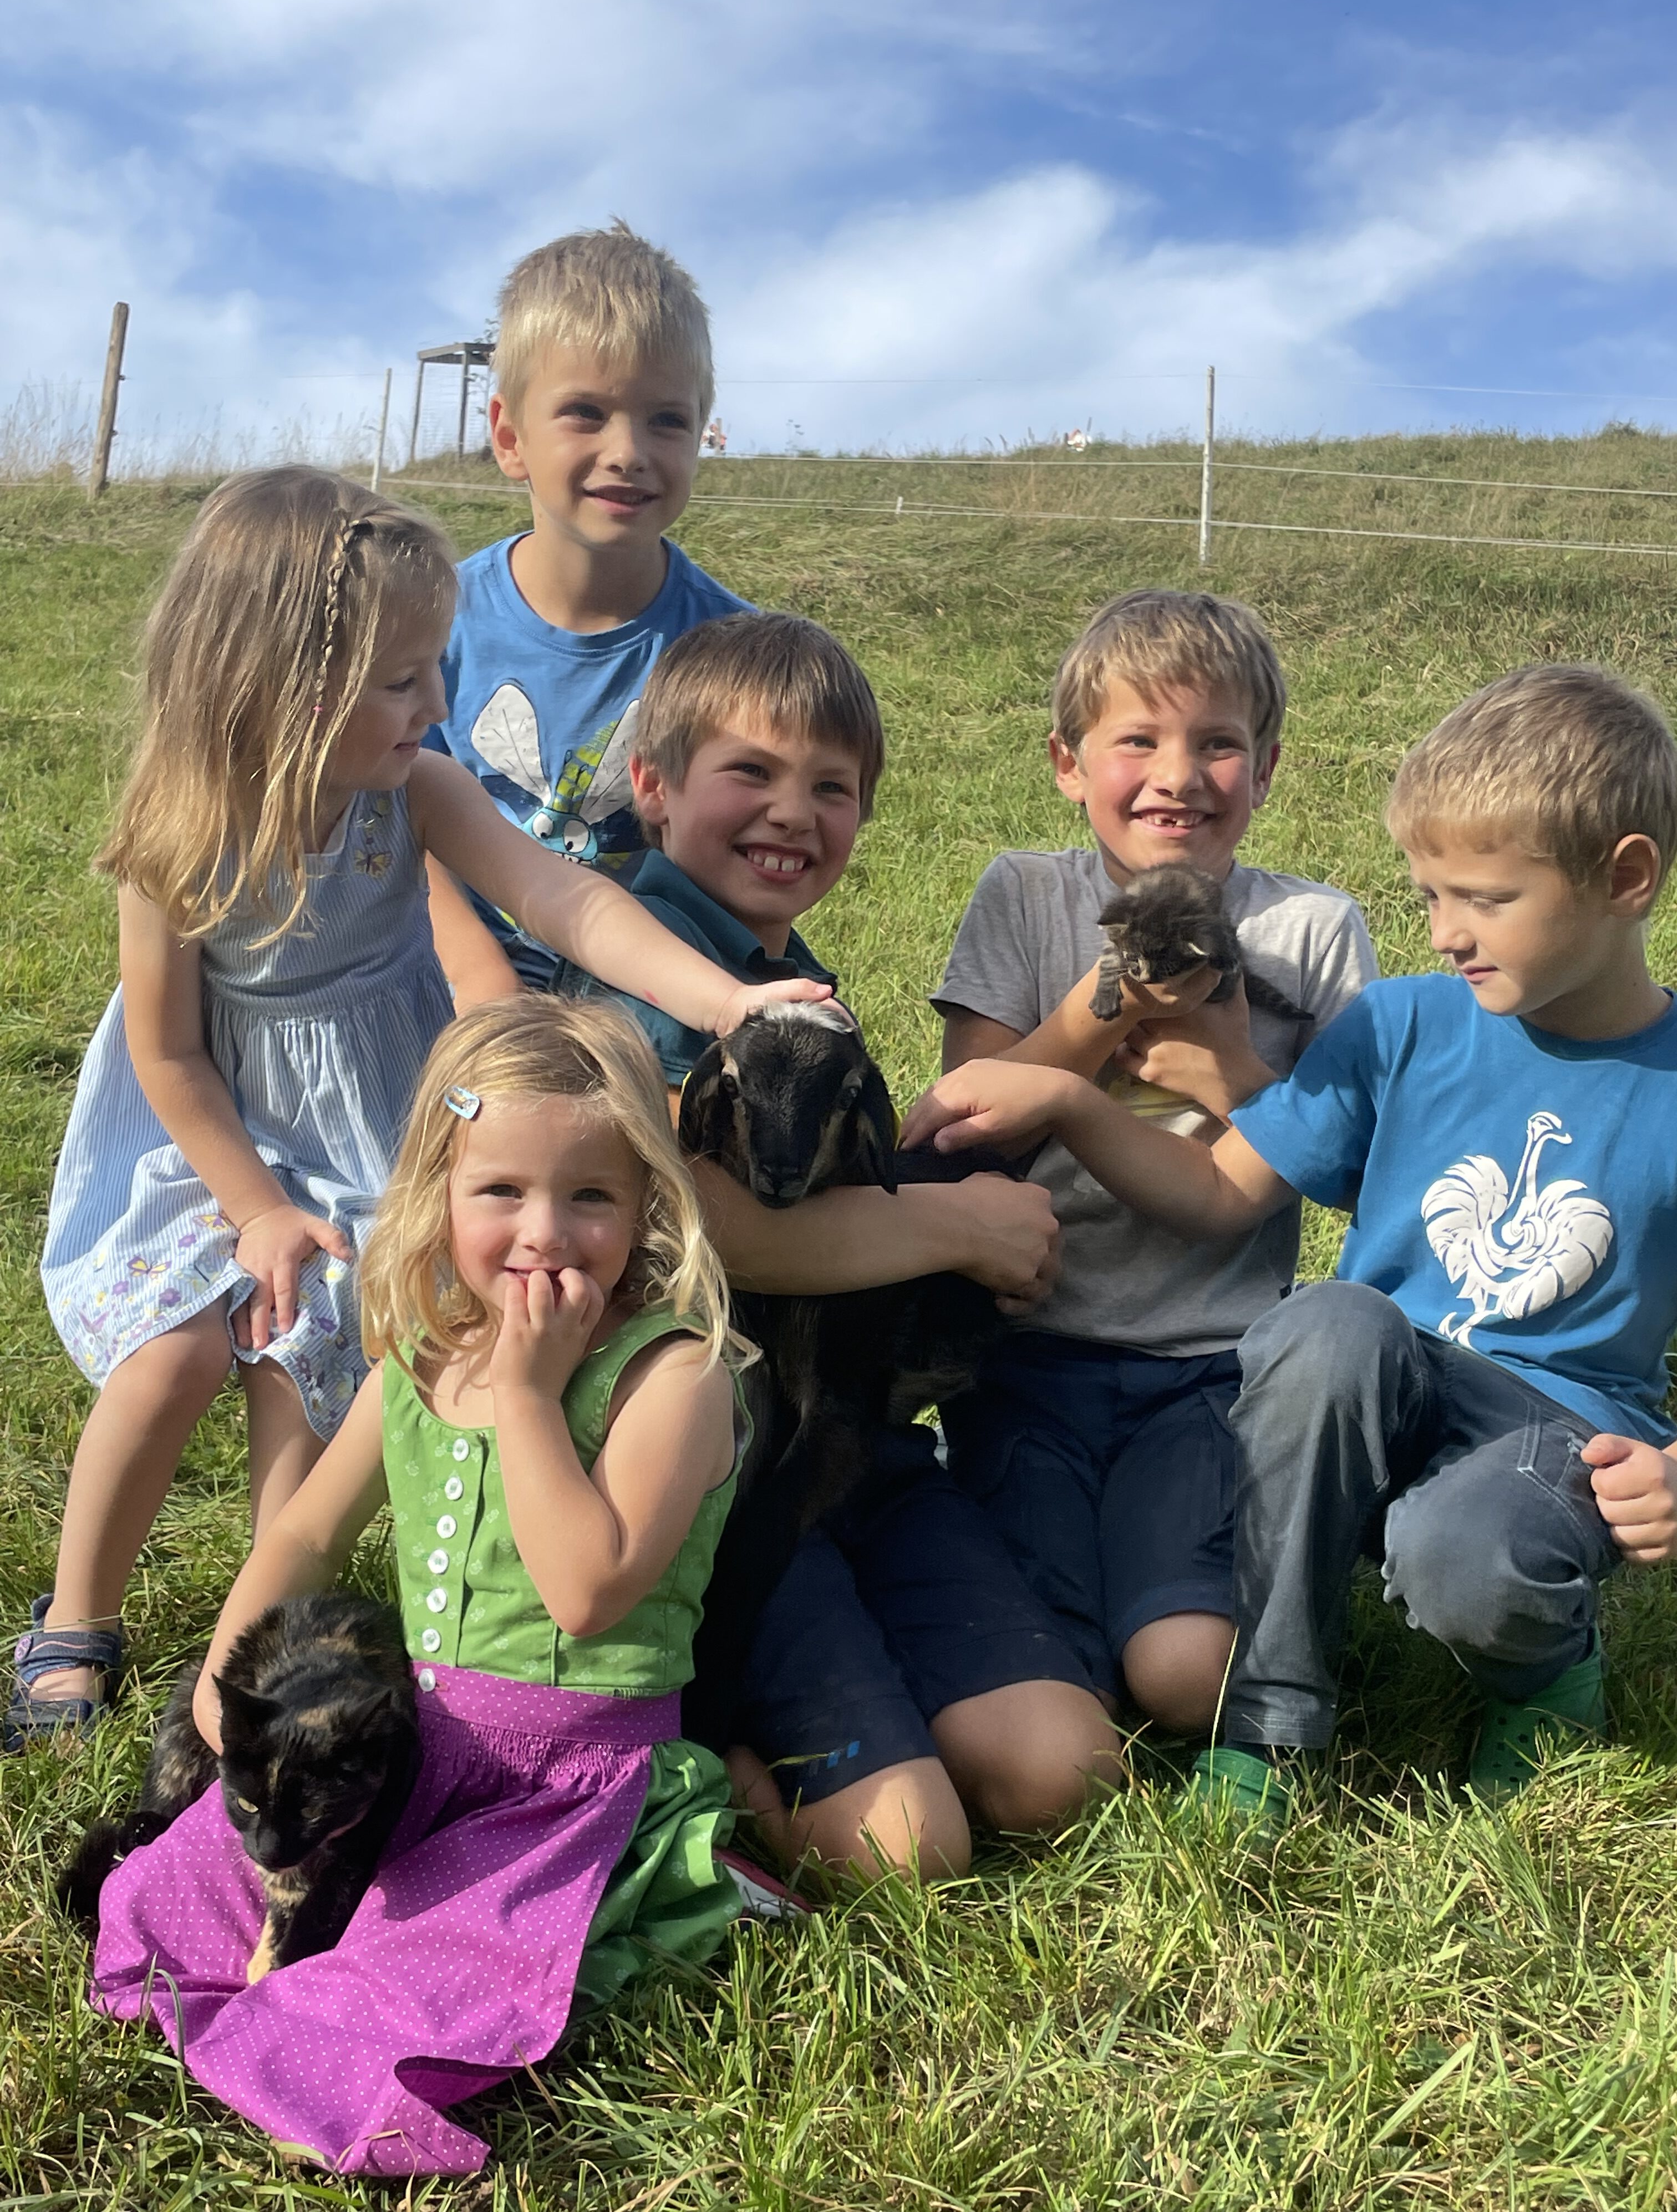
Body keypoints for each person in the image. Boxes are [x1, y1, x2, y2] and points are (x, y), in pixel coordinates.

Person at [17, 468, 825, 1748]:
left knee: (324, 1367)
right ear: (279, 683)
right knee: (170, 1357)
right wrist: (256, 1210)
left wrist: (730, 1004)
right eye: (403, 679)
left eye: (430, 670)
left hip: (375, 1122)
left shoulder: (414, 791)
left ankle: (270, 1639)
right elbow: (171, 1059)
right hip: (214, 1137)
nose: (435, 705)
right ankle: (74, 1620)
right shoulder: (179, 840)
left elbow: (568, 902)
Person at [912, 664, 1677, 1821]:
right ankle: (1270, 1724)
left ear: (1625, 878)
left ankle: (1544, 1674)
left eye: (1484, 898)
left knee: (1463, 1555)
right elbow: (1224, 1194)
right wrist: (1072, 1103)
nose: (1448, 934)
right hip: (1388, 1383)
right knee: (1324, 1319)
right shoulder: (1399, 1025)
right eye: (1428, 897)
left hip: (1557, 1425)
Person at [88, 996, 754, 2178]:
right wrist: (221, 1682)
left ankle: (642, 1896)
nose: (544, 1232)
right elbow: (303, 1529)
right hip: (420, 1755)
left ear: (648, 1205)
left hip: (561, 1785)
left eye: (589, 1196)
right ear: (437, 1197)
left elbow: (586, 1595)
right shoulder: (425, 1355)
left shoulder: (674, 1376)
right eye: (501, 1191)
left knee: (383, 2007)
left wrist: (535, 1396)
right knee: (152, 1907)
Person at [562, 607, 1114, 1882]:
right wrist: (958, 1225)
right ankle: (718, 1769)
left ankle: (887, 1678)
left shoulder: (785, 968)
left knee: (1062, 1768)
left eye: (833, 788)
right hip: (723, 1497)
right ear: (651, 787)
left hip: (849, 1451)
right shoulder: (637, 980)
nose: (792, 813)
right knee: (906, 1852)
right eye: (749, 774)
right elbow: (703, 1223)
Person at [929, 590, 1375, 1737]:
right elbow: (962, 1132)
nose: (1177, 774)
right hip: (1025, 1354)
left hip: (1212, 1366)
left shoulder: (1316, 931)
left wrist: (1226, 1059)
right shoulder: (1023, 897)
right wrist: (1110, 995)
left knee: (1183, 1676)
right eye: (1138, 739)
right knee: (1060, 1671)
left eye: (1217, 743)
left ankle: (1258, 1586)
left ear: (1267, 769)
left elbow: (1353, 1171)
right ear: (1068, 765)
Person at [424, 222, 750, 1003]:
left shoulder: (732, 652)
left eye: (666, 419)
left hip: (654, 988)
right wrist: (481, 979)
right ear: (510, 438)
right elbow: (395, 822)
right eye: (586, 413)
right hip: (449, 982)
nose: (629, 449)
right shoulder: (430, 625)